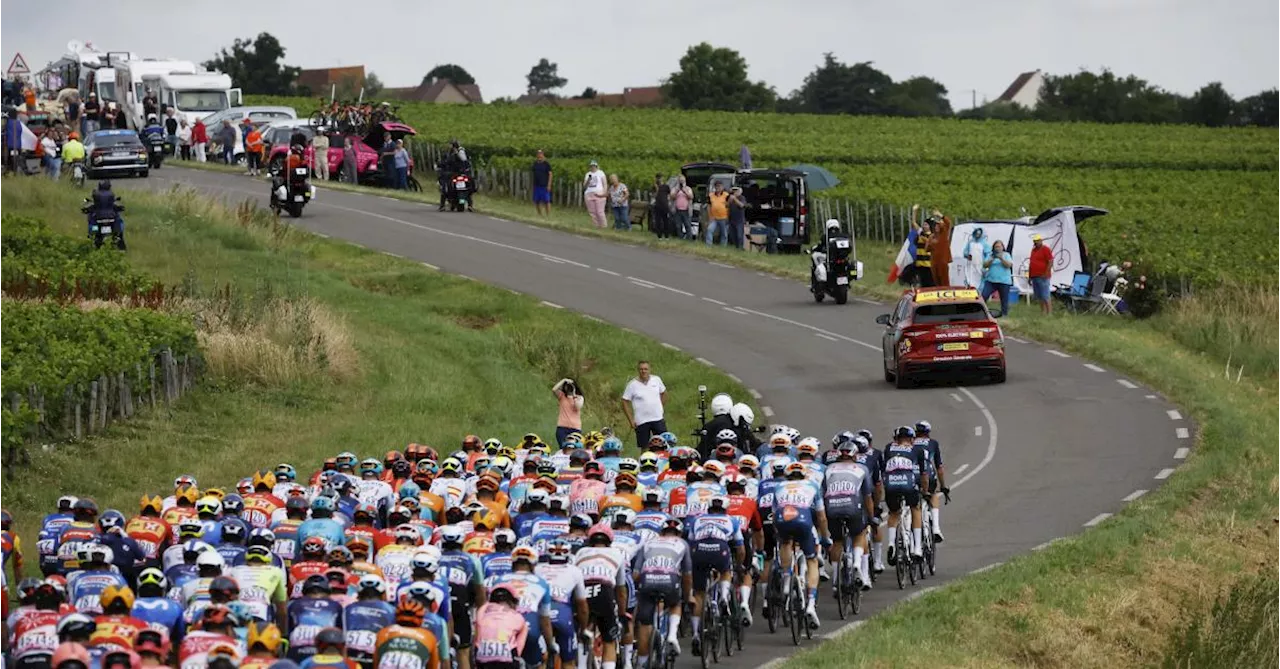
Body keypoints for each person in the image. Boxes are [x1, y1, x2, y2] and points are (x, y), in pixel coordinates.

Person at [772, 462, 829, 629]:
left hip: (783, 518)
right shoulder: (812, 485)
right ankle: (811, 604)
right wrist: (825, 538)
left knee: (785, 543)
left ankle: (786, 579)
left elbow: (774, 515)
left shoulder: (779, 485)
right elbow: (822, 517)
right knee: (812, 560)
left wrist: (779, 534)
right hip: (803, 520)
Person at [621, 360, 667, 451]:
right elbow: (624, 401)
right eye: (641, 369)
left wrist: (660, 407)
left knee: (663, 445)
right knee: (644, 447)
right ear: (638, 370)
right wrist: (631, 420)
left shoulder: (656, 380)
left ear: (650, 370)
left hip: (657, 419)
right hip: (641, 421)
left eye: (646, 369)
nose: (643, 371)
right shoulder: (632, 385)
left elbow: (664, 393)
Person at [87, 180, 126, 250]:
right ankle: (121, 246)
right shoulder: (111, 194)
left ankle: (93, 241)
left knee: (92, 225)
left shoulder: (96, 194)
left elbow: (93, 206)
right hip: (111, 217)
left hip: (98, 218)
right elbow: (113, 205)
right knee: (119, 228)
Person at [981, 239, 1015, 317]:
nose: (997, 248)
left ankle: (1004, 314)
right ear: (993, 248)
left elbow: (1009, 265)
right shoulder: (990, 255)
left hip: (1004, 281)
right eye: (996, 247)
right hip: (991, 281)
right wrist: (992, 259)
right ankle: (982, 312)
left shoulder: (1006, 255)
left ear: (1003, 247)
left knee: (1004, 299)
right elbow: (985, 265)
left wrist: (1001, 258)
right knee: (984, 296)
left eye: (999, 246)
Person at [552, 378, 583, 447]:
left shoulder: (579, 398)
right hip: (562, 428)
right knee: (564, 448)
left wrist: (574, 395)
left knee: (575, 448)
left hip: (575, 429)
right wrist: (563, 380)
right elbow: (554, 389)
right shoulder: (562, 396)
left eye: (571, 386)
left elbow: (577, 407)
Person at [907, 205, 934, 287]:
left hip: (929, 265)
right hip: (921, 264)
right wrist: (914, 211)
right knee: (923, 284)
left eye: (926, 224)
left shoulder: (933, 236)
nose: (924, 226)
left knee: (930, 284)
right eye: (924, 224)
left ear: (930, 226)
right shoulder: (921, 233)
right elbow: (914, 223)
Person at [1029, 232, 1054, 314]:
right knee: (1039, 295)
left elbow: (1050, 261)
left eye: (1037, 240)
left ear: (1041, 240)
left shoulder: (1045, 249)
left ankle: (1049, 312)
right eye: (1034, 241)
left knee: (1045, 294)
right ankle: (1042, 311)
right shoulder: (1033, 250)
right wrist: (1029, 276)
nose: (1036, 242)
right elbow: (1031, 263)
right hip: (1034, 275)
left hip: (1043, 276)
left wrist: (1046, 273)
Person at [929, 209, 953, 286]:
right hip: (934, 262)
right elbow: (927, 249)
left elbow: (948, 222)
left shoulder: (943, 234)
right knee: (936, 282)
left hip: (943, 262)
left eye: (938, 225)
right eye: (935, 225)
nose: (936, 226)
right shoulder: (932, 237)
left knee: (944, 282)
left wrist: (940, 215)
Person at [584, 160, 609, 229]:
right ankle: (596, 226)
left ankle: (604, 226)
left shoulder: (600, 173)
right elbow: (585, 186)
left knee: (600, 211)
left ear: (596, 166)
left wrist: (604, 192)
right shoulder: (588, 174)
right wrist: (588, 180)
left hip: (599, 193)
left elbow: (605, 183)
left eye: (594, 166)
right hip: (589, 193)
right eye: (591, 166)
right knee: (592, 212)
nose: (592, 167)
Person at [705, 180, 729, 246]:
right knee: (709, 229)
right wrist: (710, 216)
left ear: (722, 187)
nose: (718, 187)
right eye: (716, 186)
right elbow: (709, 206)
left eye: (719, 186)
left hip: (724, 217)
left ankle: (723, 246)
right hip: (714, 218)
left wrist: (728, 216)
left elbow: (729, 206)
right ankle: (708, 245)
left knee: (724, 233)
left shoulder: (726, 195)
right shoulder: (711, 195)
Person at [670, 175, 693, 240]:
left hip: (686, 210)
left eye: (682, 181)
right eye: (680, 181)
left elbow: (691, 197)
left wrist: (684, 191)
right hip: (677, 210)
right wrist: (677, 190)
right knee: (678, 226)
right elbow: (672, 197)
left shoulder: (688, 189)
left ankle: (689, 239)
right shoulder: (675, 189)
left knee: (687, 225)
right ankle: (681, 237)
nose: (681, 182)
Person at [531, 149, 553, 216]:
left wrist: (549, 185)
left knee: (547, 201)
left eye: (541, 154)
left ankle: (548, 215)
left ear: (543, 155)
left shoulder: (546, 164)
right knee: (536, 200)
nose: (539, 155)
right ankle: (539, 214)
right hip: (536, 185)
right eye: (538, 154)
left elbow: (550, 174)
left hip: (544, 185)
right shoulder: (535, 163)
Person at [651, 173, 671, 239]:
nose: (659, 179)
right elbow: (653, 196)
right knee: (658, 222)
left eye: (660, 178)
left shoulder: (666, 186)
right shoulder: (654, 186)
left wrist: (668, 203)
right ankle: (659, 236)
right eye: (658, 178)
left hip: (665, 206)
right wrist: (657, 189)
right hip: (657, 206)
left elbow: (669, 195)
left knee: (666, 221)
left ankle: (666, 236)